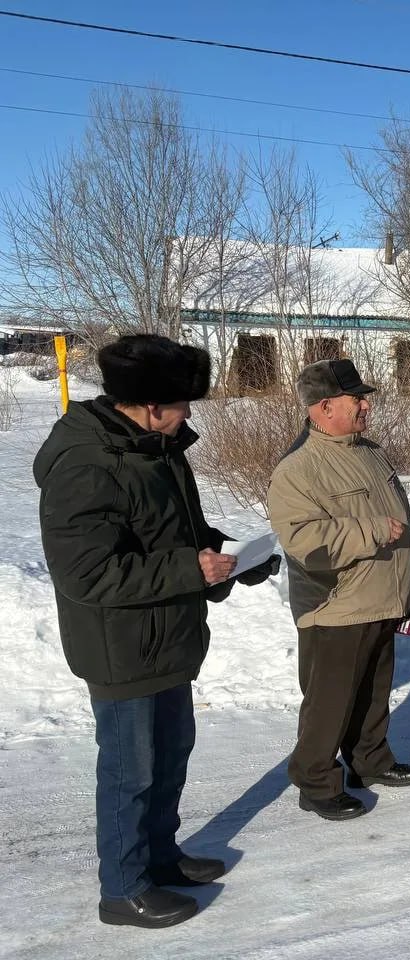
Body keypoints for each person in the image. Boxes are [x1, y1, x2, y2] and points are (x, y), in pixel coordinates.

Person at [34, 334, 276, 928]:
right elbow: (86, 573)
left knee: (169, 758)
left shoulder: (158, 449)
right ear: (149, 405)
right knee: (131, 772)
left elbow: (179, 533)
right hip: (121, 646)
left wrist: (232, 558)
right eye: (182, 403)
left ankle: (160, 857)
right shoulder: (86, 464)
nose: (189, 414)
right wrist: (191, 569)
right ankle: (123, 889)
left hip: (168, 636)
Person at [267, 358, 410, 822]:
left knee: (374, 692)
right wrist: (371, 530)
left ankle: (370, 761)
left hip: (382, 595)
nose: (366, 405)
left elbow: (400, 520)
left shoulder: (370, 452)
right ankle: (315, 781)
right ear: (324, 407)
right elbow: (303, 541)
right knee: (330, 703)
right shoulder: (298, 468)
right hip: (336, 605)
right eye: (357, 398)